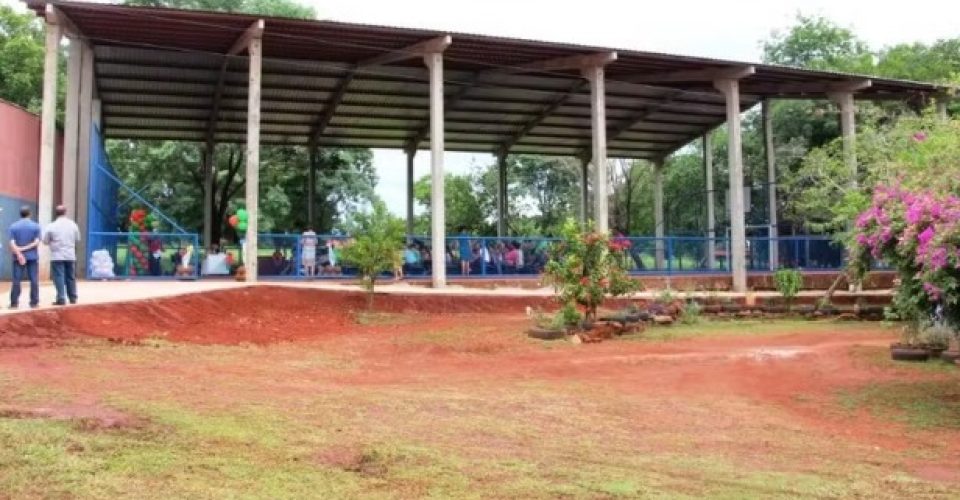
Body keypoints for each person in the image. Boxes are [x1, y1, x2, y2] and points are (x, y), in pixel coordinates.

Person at [42, 205, 81, 306]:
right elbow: (77, 239)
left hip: (57, 255)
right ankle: (73, 298)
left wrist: (52, 243)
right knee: (70, 276)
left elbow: (45, 241)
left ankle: (61, 298)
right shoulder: (73, 225)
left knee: (59, 276)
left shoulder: (51, 226)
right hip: (70, 254)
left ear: (56, 213)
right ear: (65, 212)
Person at [8, 205, 42, 309]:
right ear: (29, 214)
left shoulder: (13, 227)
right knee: (34, 279)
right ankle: (34, 302)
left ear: (20, 214)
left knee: (16, 279)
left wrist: (19, 252)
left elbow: (12, 243)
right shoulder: (36, 226)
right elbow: (36, 242)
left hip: (17, 257)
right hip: (32, 257)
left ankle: (14, 303)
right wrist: (25, 248)